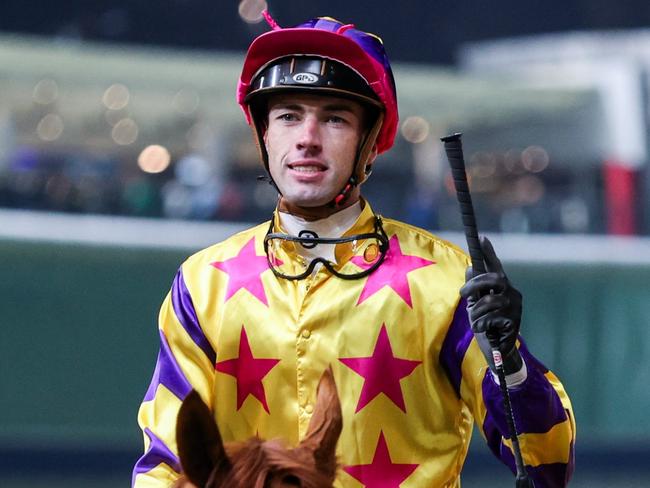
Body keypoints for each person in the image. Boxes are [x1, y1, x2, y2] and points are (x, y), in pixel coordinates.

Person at [132, 13, 575, 488]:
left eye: (335, 118)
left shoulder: (447, 280)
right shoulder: (202, 283)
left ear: (370, 144)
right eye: (287, 115)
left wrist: (511, 365)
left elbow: (548, 464)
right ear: (264, 134)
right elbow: (164, 470)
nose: (307, 137)